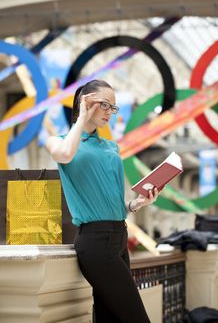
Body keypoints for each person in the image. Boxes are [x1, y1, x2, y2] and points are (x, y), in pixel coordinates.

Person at [46, 79, 159, 323]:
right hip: (95, 241)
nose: (110, 112)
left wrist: (135, 204)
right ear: (84, 103)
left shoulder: (111, 147)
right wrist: (81, 118)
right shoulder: (58, 141)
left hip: (119, 236)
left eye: (113, 107)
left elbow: (113, 201)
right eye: (105, 105)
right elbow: (65, 155)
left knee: (110, 318)